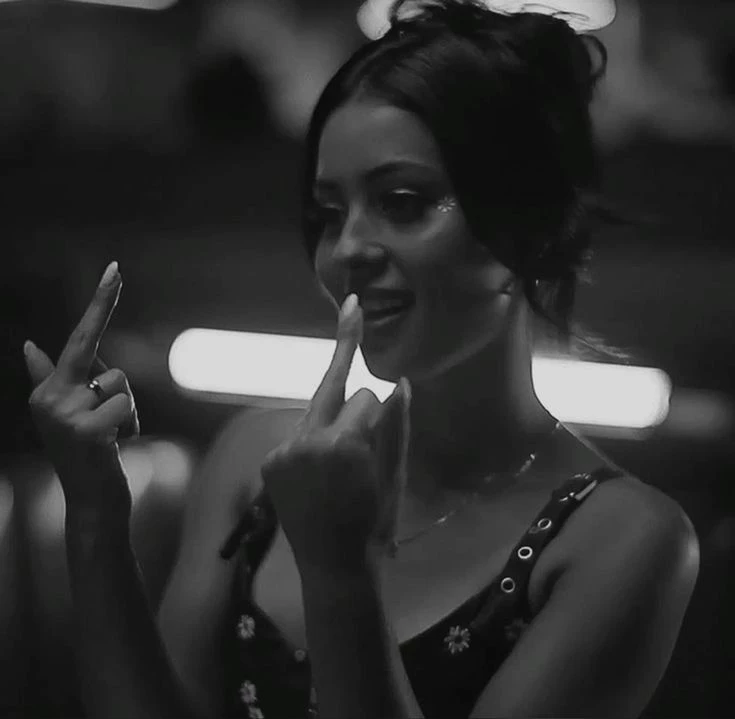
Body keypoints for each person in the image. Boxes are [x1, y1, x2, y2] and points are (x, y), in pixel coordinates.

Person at [24, 1, 700, 718]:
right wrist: (94, 512)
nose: (347, 249)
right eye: (328, 214)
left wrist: (339, 572)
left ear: (526, 226)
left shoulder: (625, 537)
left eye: (402, 202)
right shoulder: (256, 458)